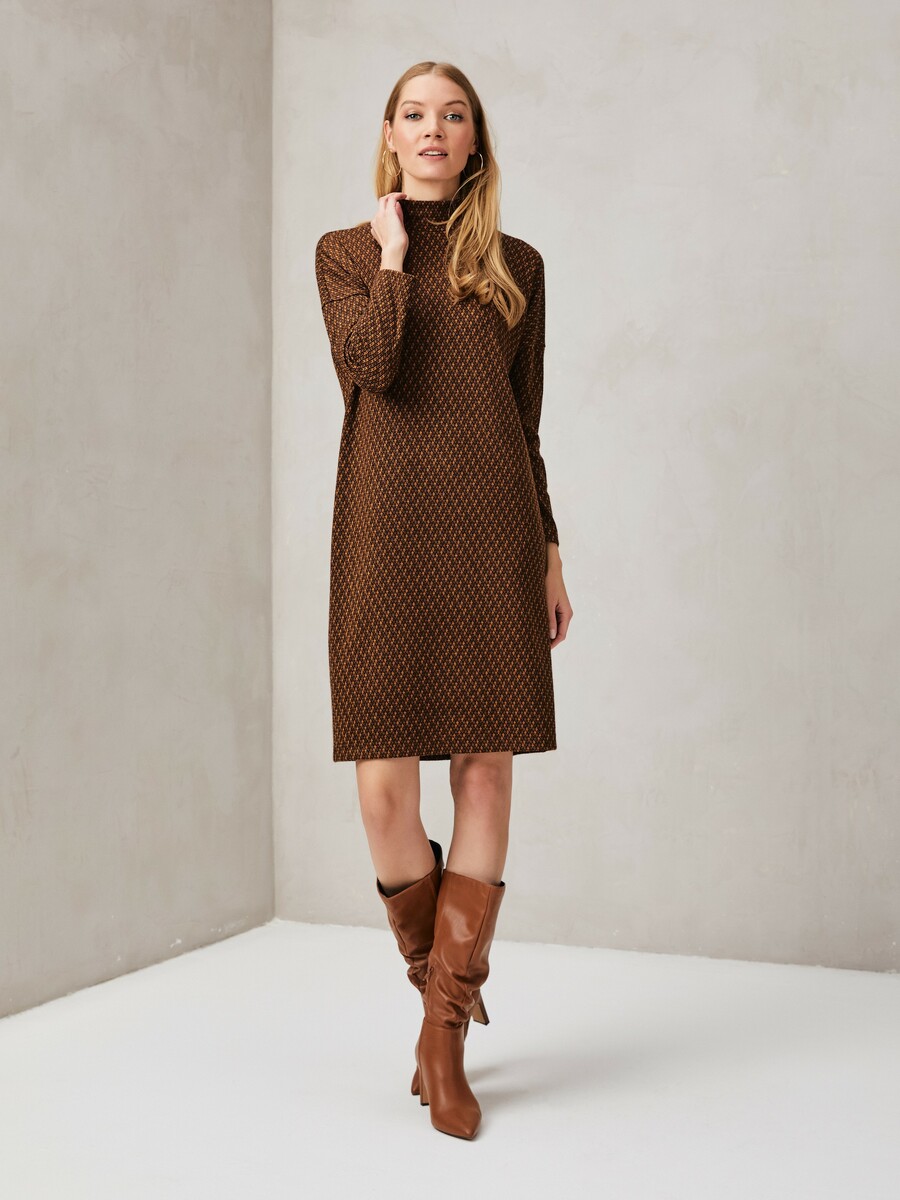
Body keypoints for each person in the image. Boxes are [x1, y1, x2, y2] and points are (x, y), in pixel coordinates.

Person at [314, 61, 573, 1139]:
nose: (434, 129)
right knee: (384, 795)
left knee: (484, 772)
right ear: (390, 135)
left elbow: (525, 423)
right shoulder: (346, 253)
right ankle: (443, 1002)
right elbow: (373, 365)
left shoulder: (518, 265)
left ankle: (442, 1040)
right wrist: (391, 254)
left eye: (452, 116)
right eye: (415, 114)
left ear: (474, 142)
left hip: (494, 537)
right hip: (386, 536)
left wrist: (548, 549)